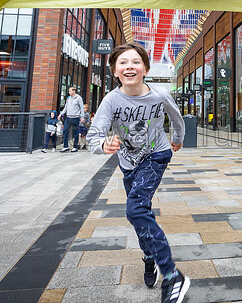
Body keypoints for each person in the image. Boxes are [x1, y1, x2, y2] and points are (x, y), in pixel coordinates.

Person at [87, 42, 190, 303]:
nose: (129, 66)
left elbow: (176, 117)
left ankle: (172, 275)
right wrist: (103, 144)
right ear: (114, 71)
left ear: (145, 68)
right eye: (123, 62)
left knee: (134, 209)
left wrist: (177, 138)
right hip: (129, 162)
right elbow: (94, 135)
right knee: (139, 213)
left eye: (135, 62)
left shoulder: (159, 95)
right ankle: (149, 256)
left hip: (156, 155)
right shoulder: (111, 99)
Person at [59, 87, 84, 152]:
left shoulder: (79, 98)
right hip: (68, 117)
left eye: (70, 91)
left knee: (75, 132)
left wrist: (82, 117)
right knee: (65, 131)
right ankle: (65, 146)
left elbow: (81, 108)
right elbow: (65, 107)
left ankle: (75, 147)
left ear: (74, 91)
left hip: (75, 118)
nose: (69, 92)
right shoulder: (68, 98)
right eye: (69, 91)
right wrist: (60, 114)